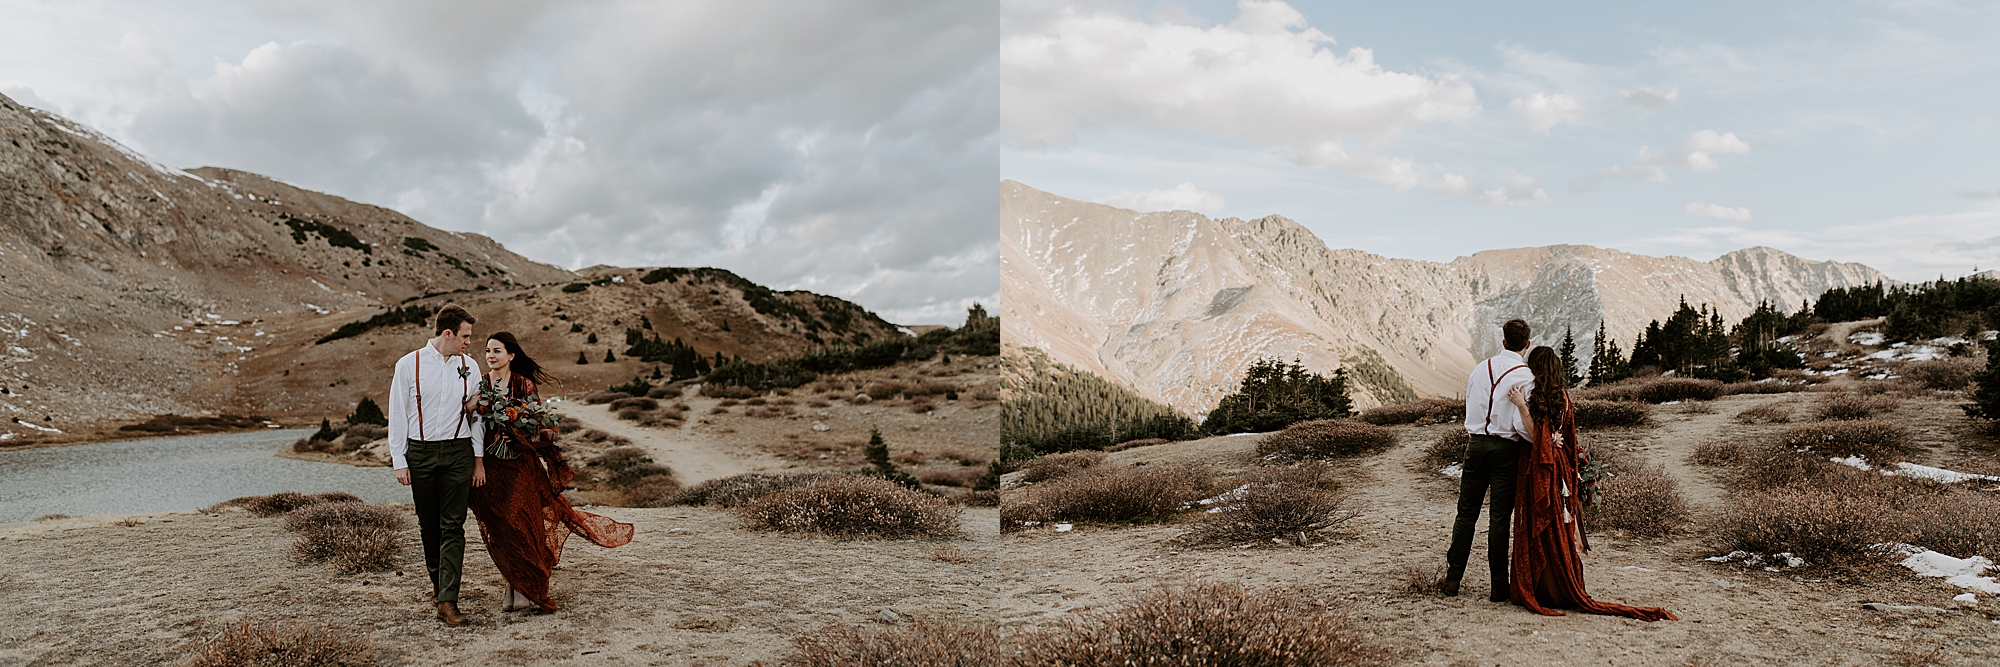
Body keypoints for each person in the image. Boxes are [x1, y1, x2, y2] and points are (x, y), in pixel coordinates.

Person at [1504, 346, 1677, 621]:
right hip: (1558, 464)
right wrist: (1552, 441)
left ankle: (1545, 588)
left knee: (1543, 524)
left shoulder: (1538, 397)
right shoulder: (1562, 396)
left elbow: (1539, 437)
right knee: (1558, 524)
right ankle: (1558, 583)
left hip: (1540, 466)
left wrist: (1521, 406)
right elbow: (1556, 437)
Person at [469, 332, 635, 613]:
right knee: (502, 527)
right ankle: (514, 582)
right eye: (487, 351)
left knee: (519, 522)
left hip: (521, 465)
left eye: (497, 351)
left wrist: (519, 436)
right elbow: (473, 423)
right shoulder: (481, 384)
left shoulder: (524, 384)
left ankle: (527, 587)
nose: (491, 355)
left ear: (511, 355)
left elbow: (538, 426)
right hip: (493, 465)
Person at [387, 305, 486, 627]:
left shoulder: (470, 367)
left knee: (453, 526)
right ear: (448, 333)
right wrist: (400, 461)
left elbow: (476, 419)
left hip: (458, 453)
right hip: (421, 453)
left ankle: (448, 600)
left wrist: (477, 459)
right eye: (465, 336)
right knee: (429, 525)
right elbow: (398, 414)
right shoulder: (408, 364)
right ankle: (438, 585)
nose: (469, 342)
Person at [1440, 318, 1535, 600]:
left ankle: (1452, 580)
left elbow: (1471, 405)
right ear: (1527, 345)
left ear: (1503, 342)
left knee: (1466, 514)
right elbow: (1521, 424)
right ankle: (1497, 586)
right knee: (1499, 519)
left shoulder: (1480, 369)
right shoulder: (1527, 377)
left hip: (1475, 445)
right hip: (1506, 449)